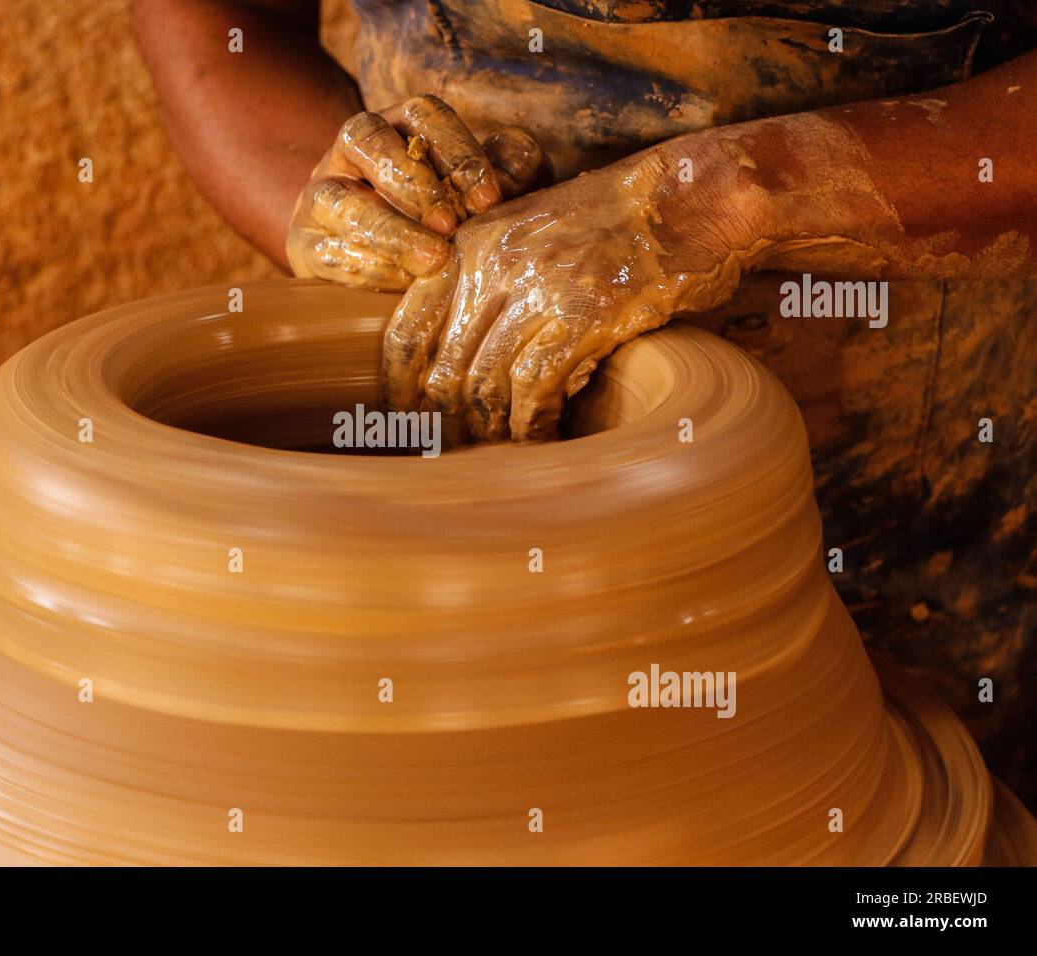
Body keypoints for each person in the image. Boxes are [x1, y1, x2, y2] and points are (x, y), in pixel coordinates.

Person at [133, 0, 1037, 803]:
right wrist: (346, 211)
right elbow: (213, 19)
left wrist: (722, 198)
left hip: (911, 527)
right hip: (436, 552)